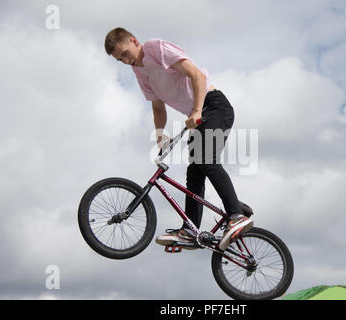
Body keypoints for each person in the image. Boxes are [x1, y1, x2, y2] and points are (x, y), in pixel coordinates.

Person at [104, 28, 253, 250]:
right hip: (199, 116)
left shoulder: (156, 49)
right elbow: (157, 106)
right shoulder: (139, 72)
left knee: (205, 159)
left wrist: (196, 111)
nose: (126, 61)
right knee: (194, 174)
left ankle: (237, 214)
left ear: (135, 41)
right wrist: (159, 133)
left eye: (125, 53)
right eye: (120, 59)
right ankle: (190, 230)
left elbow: (197, 75)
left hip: (214, 106)